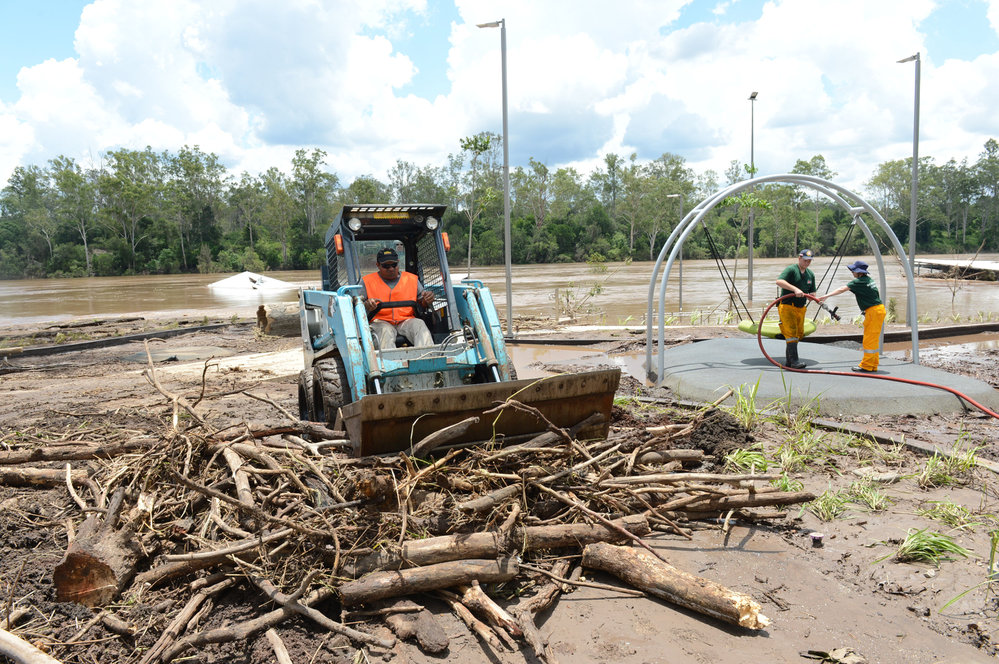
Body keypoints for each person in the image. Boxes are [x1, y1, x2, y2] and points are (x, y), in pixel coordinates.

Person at [818, 260, 886, 373]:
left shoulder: (859, 282)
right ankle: (873, 364)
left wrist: (826, 296)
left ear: (858, 272)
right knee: (873, 339)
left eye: (853, 270)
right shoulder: (868, 280)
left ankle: (867, 366)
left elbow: (842, 289)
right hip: (878, 310)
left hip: (873, 312)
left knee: (869, 339)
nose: (851, 272)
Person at [361, 248, 435, 349]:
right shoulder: (367, 282)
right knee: (385, 331)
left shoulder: (412, 279)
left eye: (394, 265)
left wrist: (427, 300)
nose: (391, 269)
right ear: (377, 265)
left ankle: (427, 359)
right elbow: (357, 305)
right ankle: (389, 363)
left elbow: (422, 303)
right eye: (386, 266)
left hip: (406, 320)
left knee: (419, 325)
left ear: (398, 263)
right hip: (380, 322)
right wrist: (367, 305)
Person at [775, 249, 817, 369]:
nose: (807, 263)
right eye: (805, 260)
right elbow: (779, 281)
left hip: (800, 308)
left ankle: (789, 361)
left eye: (809, 261)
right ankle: (794, 361)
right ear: (799, 258)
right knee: (791, 333)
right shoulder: (791, 270)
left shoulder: (810, 274)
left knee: (798, 334)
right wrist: (795, 289)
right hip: (788, 306)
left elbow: (812, 291)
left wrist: (812, 296)